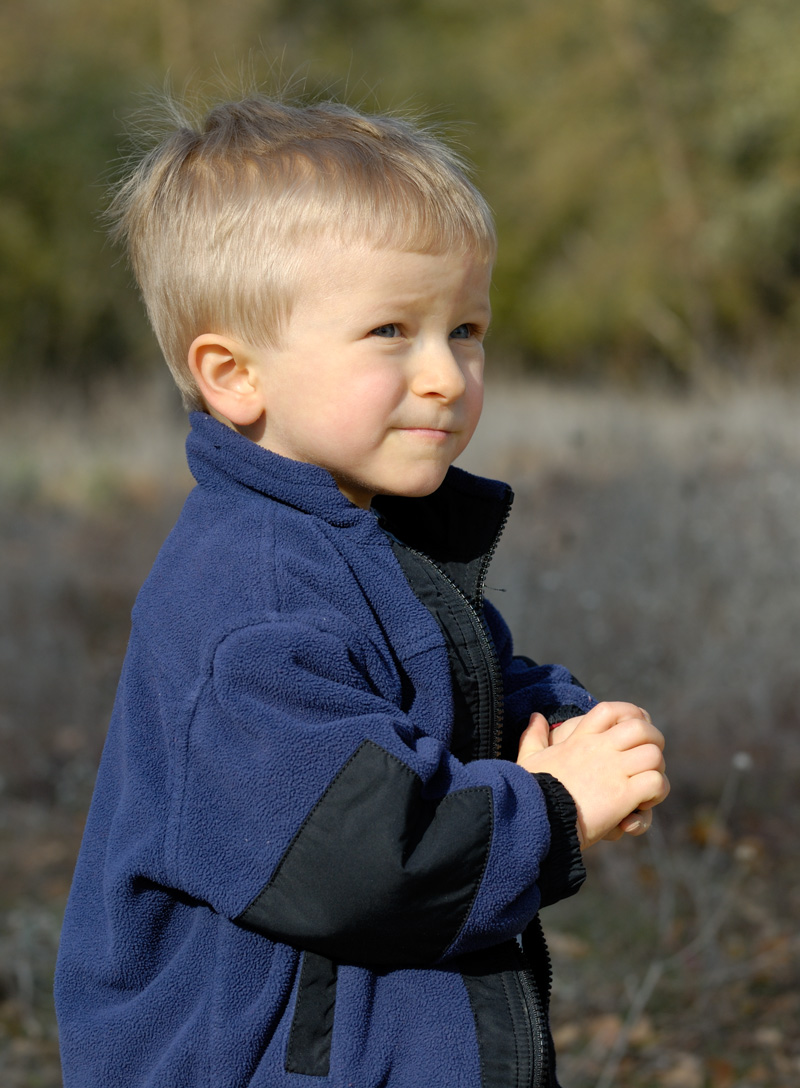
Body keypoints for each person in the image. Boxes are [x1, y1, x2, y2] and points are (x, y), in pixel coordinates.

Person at [55, 95, 669, 1088]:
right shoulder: (253, 599)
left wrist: (562, 725)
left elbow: (446, 701)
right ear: (234, 375)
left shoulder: (361, 542)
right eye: (390, 330)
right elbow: (369, 858)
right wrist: (556, 807)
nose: (445, 376)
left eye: (464, 329)